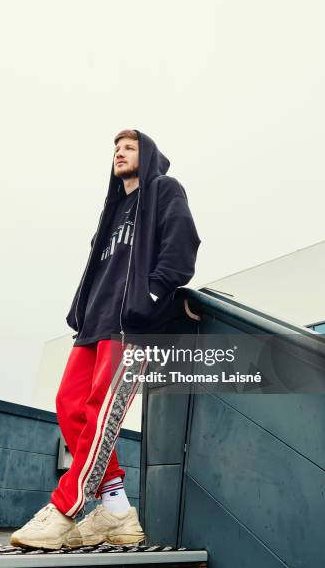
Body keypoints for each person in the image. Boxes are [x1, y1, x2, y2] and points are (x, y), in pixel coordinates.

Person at [10, 129, 201, 550]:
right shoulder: (113, 209)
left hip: (131, 327)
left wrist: (153, 295)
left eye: (129, 147)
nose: (120, 153)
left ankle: (64, 510)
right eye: (115, 148)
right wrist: (80, 311)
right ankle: (116, 510)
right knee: (70, 407)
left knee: (101, 414)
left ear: (147, 153)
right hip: (93, 326)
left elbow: (182, 242)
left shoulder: (165, 191)